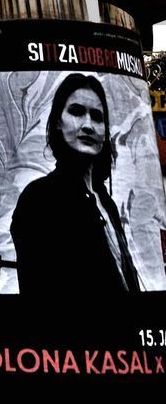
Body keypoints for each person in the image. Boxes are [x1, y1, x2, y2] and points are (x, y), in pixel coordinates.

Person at [9, 73, 141, 294]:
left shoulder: (104, 201)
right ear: (58, 122)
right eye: (77, 112)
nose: (88, 125)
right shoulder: (39, 199)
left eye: (98, 117)